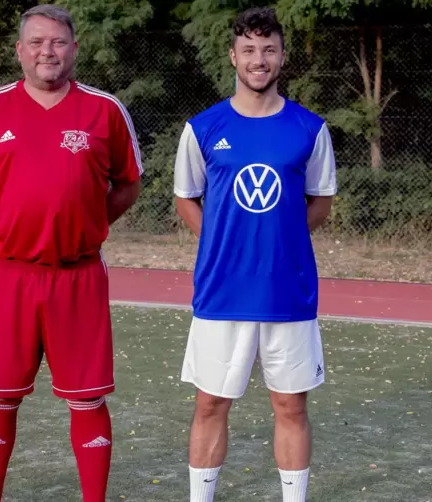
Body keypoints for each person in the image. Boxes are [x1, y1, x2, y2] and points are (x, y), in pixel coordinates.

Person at [0, 4, 143, 501]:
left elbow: (127, 183)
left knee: (87, 397)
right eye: (36, 42)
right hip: (7, 276)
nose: (47, 51)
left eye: (57, 42)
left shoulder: (104, 109)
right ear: (20, 51)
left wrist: (89, 225)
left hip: (77, 276)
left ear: (74, 49)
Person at [173, 6, 336, 502]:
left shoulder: (310, 129)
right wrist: (224, 239)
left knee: (290, 406)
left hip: (288, 291)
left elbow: (321, 201)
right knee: (209, 405)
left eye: (268, 50)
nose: (258, 60)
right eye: (249, 50)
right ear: (233, 56)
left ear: (282, 56)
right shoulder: (203, 128)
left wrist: (280, 237)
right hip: (223, 292)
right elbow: (186, 197)